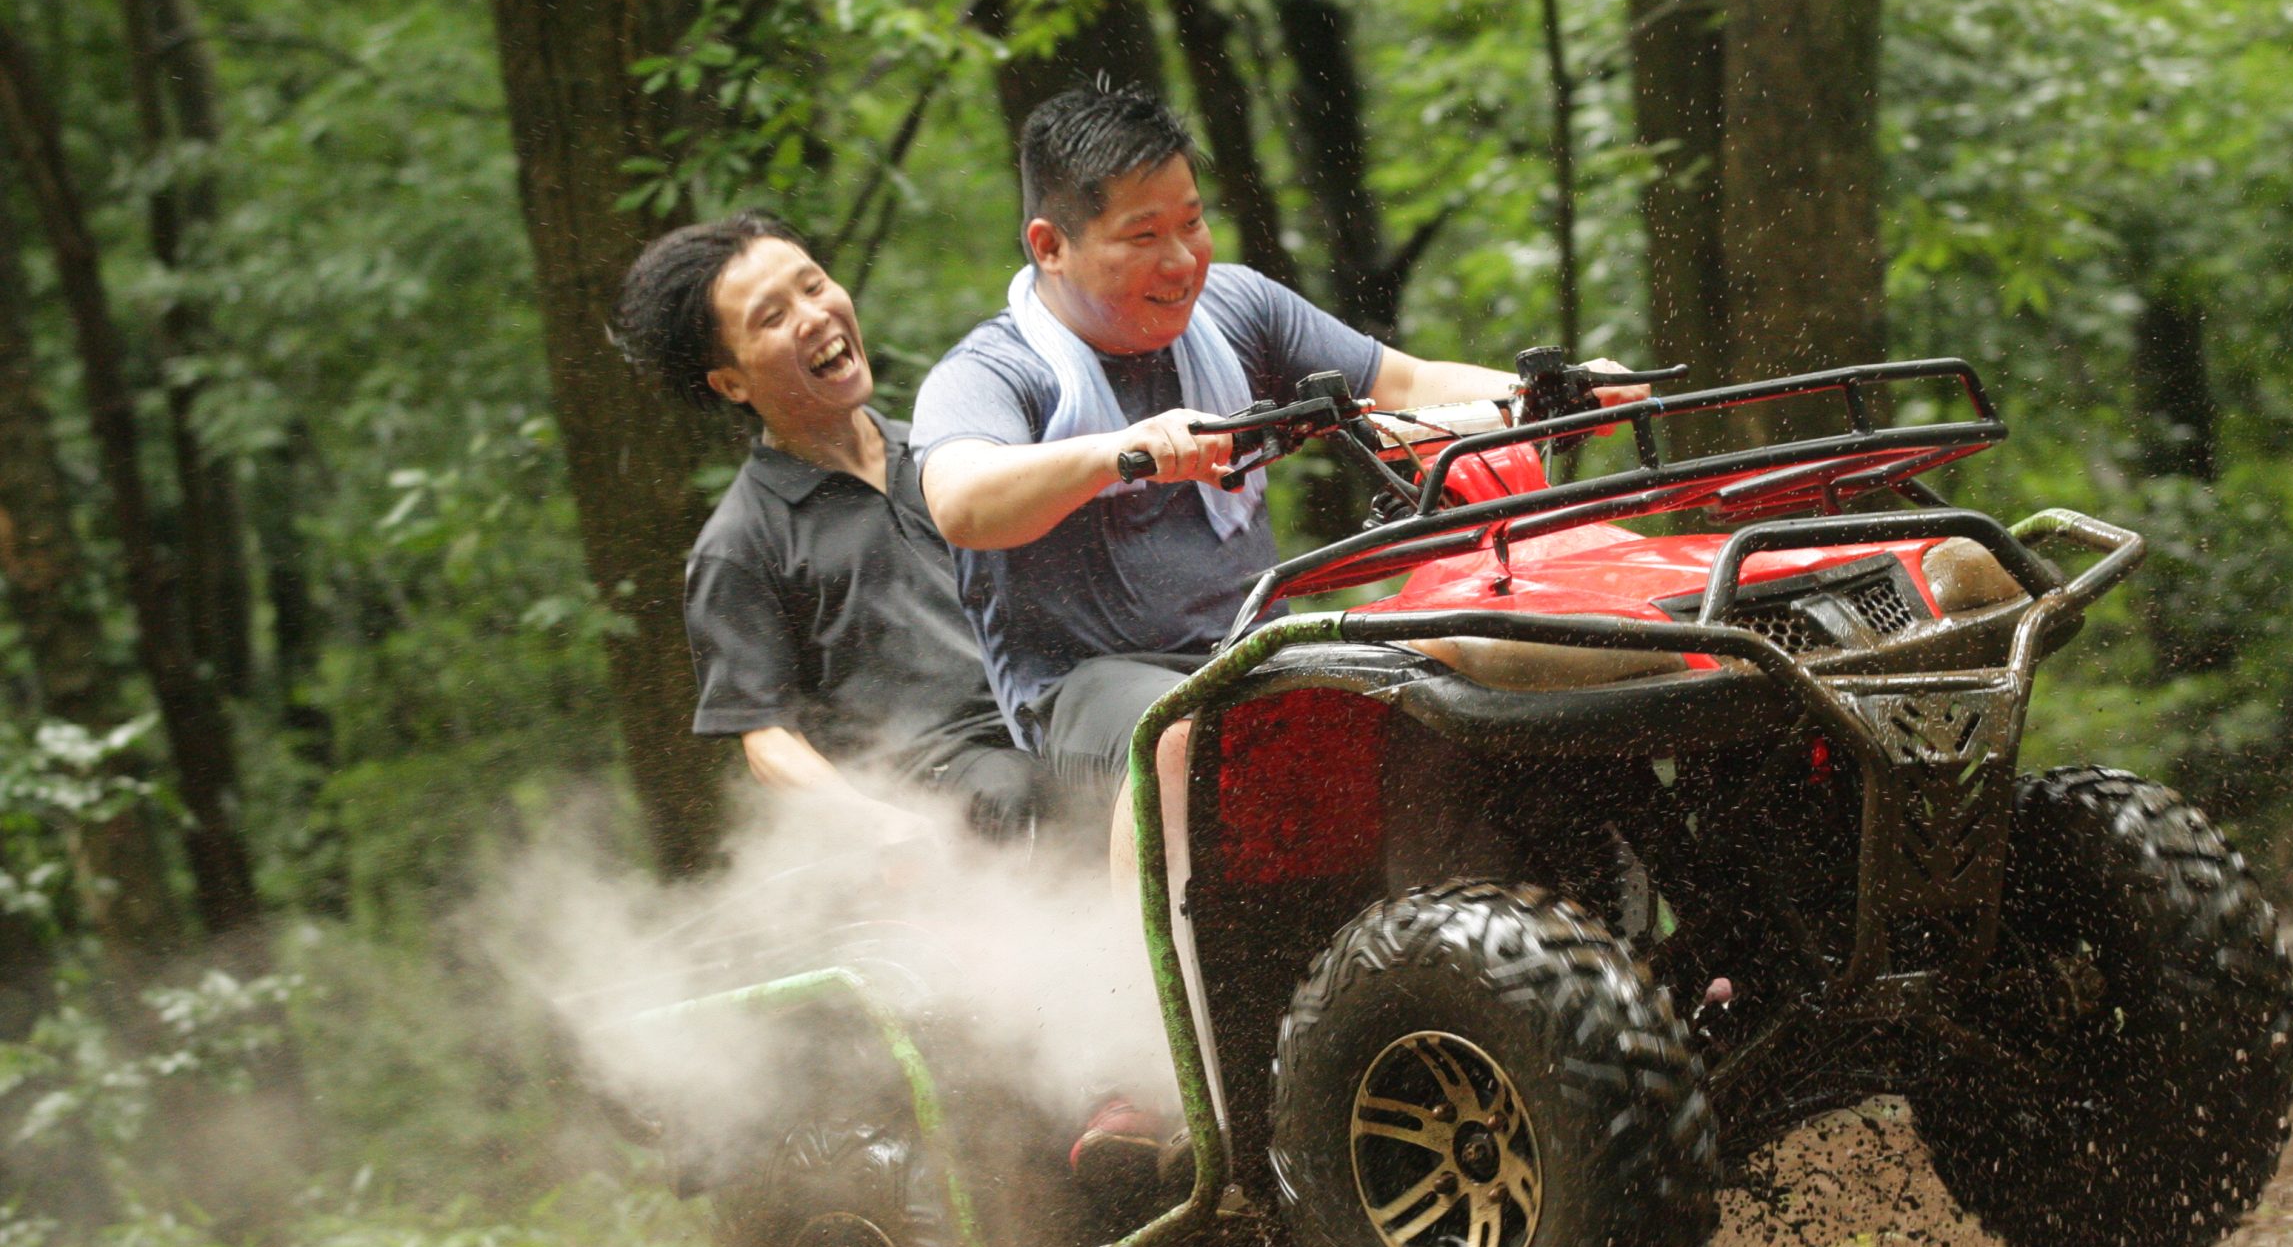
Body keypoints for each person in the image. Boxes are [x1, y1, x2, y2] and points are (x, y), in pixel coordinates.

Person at [910, 84, 1641, 881]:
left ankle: (1460, 920)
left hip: (1253, 648)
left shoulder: (1239, 309)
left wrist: (1552, 396)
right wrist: (1118, 450)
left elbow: (1405, 386)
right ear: (1050, 246)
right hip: (1081, 692)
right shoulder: (993, 371)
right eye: (1144, 234)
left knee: (1444, 681)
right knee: (1185, 736)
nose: (1181, 260)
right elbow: (962, 501)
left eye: (1192, 222)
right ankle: (1140, 966)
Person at [613, 211, 1046, 845]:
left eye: (812, 286)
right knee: (1020, 786)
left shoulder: (952, 454)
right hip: (943, 791)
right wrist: (873, 823)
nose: (812, 316)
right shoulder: (740, 544)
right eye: (772, 317)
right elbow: (766, 739)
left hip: (1052, 724)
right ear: (731, 382)